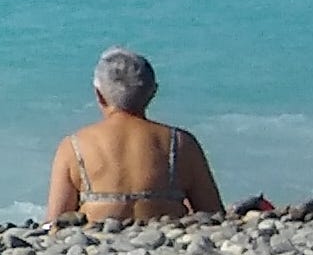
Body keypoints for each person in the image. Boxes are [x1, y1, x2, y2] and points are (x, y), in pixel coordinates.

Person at [48, 48, 220, 224]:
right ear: (153, 92)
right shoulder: (181, 143)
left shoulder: (74, 145)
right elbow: (213, 215)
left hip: (97, 241)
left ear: (99, 95)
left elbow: (56, 222)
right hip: (164, 239)